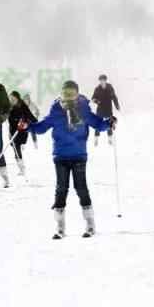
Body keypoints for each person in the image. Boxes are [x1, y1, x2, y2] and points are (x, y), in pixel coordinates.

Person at [22, 80, 116, 239]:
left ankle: (90, 224)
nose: (68, 98)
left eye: (72, 95)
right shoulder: (56, 110)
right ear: (61, 94)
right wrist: (28, 126)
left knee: (81, 188)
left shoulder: (84, 109)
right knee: (61, 189)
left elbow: (98, 124)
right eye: (66, 94)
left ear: (77, 95)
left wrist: (109, 123)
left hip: (79, 154)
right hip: (60, 155)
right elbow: (42, 127)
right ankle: (60, 226)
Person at [8, 91, 38, 177]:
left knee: (18, 146)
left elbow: (29, 115)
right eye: (10, 99)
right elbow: (7, 117)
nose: (12, 100)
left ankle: (21, 167)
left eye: (13, 99)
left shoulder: (22, 105)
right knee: (15, 148)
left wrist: (36, 122)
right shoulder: (9, 106)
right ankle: (21, 167)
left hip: (22, 129)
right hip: (12, 130)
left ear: (17, 98)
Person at [91, 74, 121, 146]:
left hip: (108, 108)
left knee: (110, 124)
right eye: (101, 80)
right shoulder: (97, 89)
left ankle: (110, 139)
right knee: (98, 124)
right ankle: (96, 139)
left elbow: (114, 97)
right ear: (99, 81)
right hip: (100, 109)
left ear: (105, 80)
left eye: (103, 80)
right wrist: (97, 101)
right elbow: (93, 98)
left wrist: (117, 105)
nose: (102, 82)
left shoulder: (110, 87)